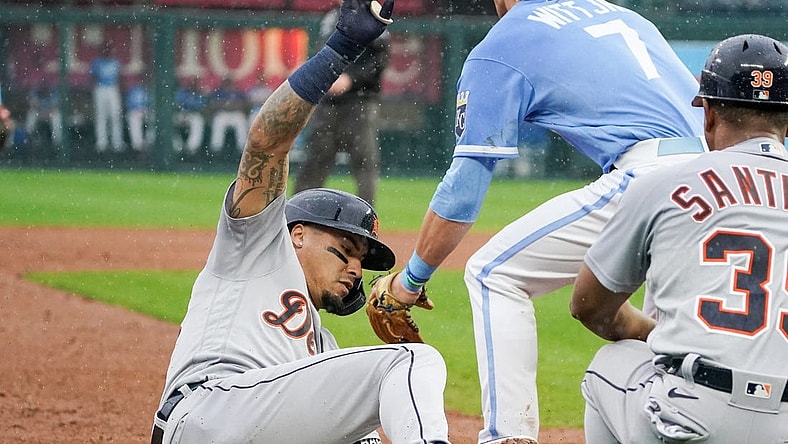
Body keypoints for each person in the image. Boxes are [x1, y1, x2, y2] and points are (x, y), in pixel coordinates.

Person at [377, 0, 707, 442]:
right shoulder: (619, 13)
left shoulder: (505, 42)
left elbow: (465, 186)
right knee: (674, 346)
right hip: (717, 179)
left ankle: (509, 435)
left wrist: (410, 283)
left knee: (494, 273)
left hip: (649, 174)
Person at [150, 2, 453, 444]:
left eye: (361, 262)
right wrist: (340, 50)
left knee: (362, 433)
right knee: (411, 361)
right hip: (211, 411)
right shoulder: (256, 248)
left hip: (263, 425)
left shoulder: (323, 346)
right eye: (346, 251)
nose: (356, 270)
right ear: (298, 234)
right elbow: (266, 143)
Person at [570, 33, 788, 443]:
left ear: (707, 113)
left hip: (693, 413)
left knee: (609, 364)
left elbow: (588, 307)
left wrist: (654, 334)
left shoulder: (665, 182)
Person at [293, 0, 390, 206]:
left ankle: (366, 217)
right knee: (315, 158)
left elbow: (379, 61)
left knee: (364, 161)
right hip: (328, 101)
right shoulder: (332, 16)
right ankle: (298, 210)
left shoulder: (372, 13)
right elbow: (323, 53)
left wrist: (351, 79)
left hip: (360, 101)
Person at [90, 42, 124, 154]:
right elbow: (92, 77)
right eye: (106, 49)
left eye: (109, 49)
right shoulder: (97, 62)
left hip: (112, 89)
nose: (108, 51)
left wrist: (119, 90)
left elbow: (120, 77)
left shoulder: (115, 62)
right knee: (101, 116)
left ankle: (117, 143)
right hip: (101, 88)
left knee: (115, 116)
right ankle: (101, 143)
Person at [208, 76, 248, 154]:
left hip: (236, 114)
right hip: (223, 114)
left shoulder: (237, 92)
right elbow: (213, 104)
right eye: (226, 82)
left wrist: (228, 104)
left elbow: (244, 104)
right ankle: (216, 150)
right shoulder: (218, 92)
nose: (228, 84)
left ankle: (242, 150)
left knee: (241, 121)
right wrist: (227, 104)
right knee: (218, 121)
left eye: (229, 82)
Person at [173, 78, 207, 155]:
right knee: (170, 122)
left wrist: (191, 111)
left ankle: (191, 149)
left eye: (195, 84)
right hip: (181, 114)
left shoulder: (200, 94)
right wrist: (183, 111)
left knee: (198, 121)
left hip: (193, 115)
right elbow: (176, 105)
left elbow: (203, 109)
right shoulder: (183, 93)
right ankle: (177, 148)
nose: (193, 86)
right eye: (191, 84)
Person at [125, 77, 155, 154]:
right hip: (135, 111)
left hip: (146, 111)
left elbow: (151, 104)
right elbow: (129, 105)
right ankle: (138, 145)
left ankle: (150, 141)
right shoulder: (132, 90)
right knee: (133, 118)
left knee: (154, 118)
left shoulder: (147, 90)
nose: (140, 82)